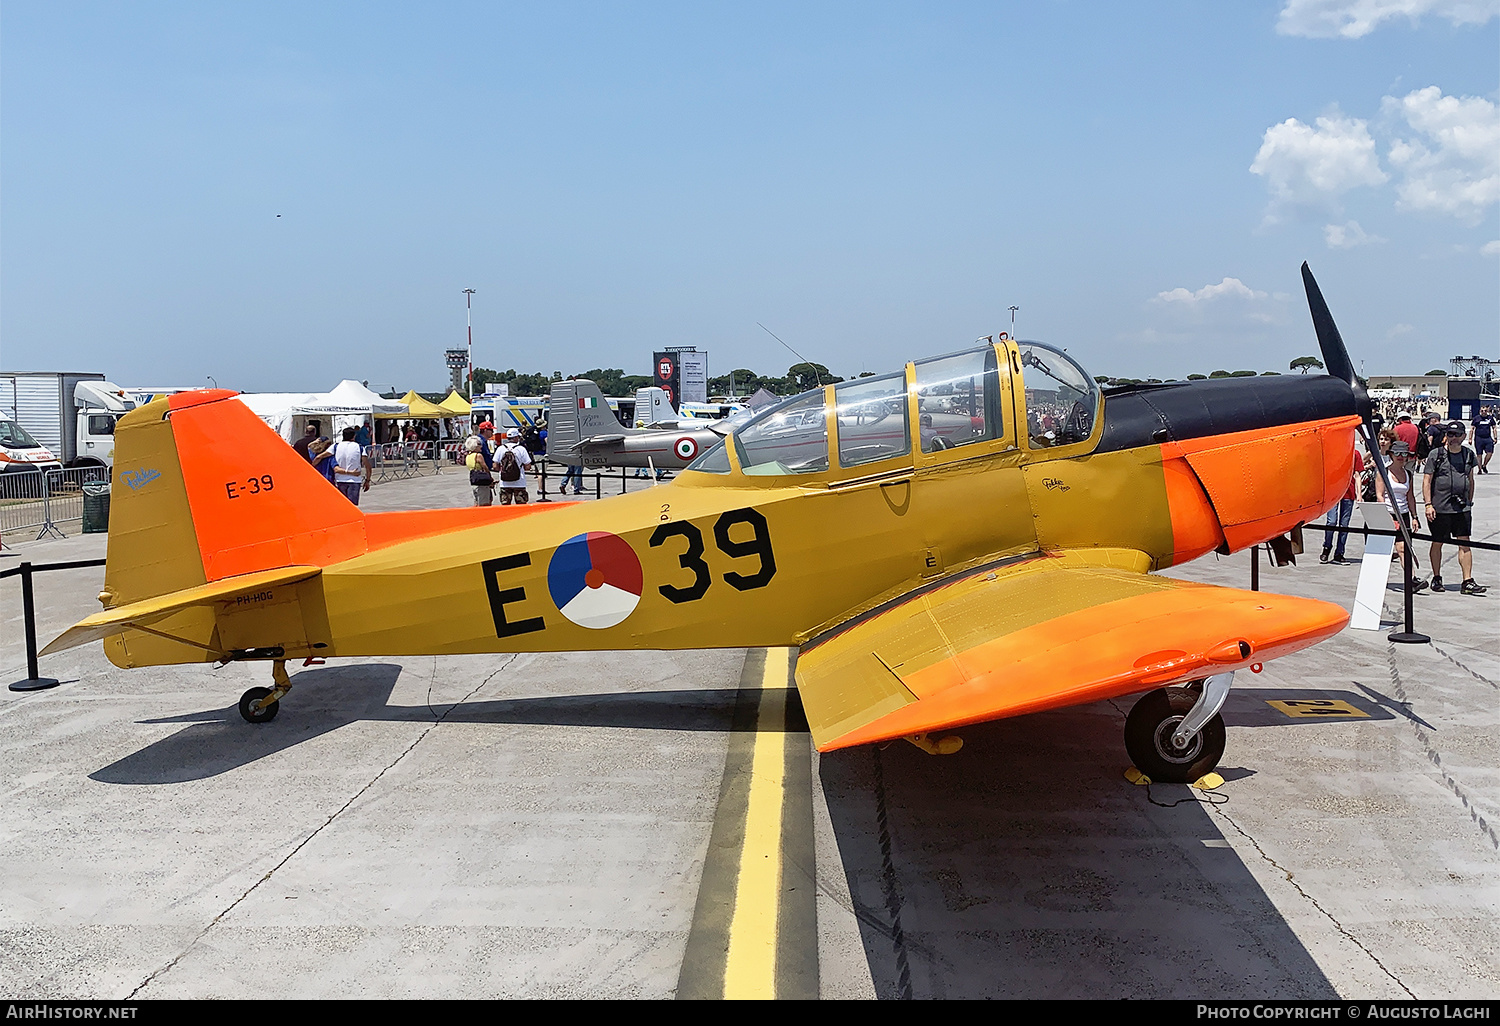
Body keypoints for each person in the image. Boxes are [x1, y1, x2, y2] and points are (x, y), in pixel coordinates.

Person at [1423, 421, 1485, 595]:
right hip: (1440, 508)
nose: (1454, 438)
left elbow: (1470, 479)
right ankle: (1436, 577)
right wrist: (1428, 504)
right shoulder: (1437, 455)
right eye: (1450, 434)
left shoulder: (1468, 455)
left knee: (1464, 543)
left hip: (1461, 509)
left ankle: (1467, 580)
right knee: (1437, 542)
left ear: (1464, 436)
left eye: (1457, 435)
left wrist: (1469, 502)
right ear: (1446, 436)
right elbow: (1427, 480)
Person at [1375, 440, 1425, 590]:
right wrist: (1387, 517)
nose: (1401, 457)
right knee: (1383, 549)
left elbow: (1410, 497)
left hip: (1403, 515)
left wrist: (1415, 516)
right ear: (1391, 454)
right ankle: (1377, 579)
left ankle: (1411, 579)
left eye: (1404, 454)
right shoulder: (1383, 473)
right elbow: (1379, 496)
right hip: (1387, 513)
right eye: (1397, 453)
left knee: (1404, 548)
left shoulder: (1408, 474)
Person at [1320, 447, 1364, 564]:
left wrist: (1359, 494)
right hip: (1333, 493)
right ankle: (1327, 547)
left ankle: (1339, 552)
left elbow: (1357, 475)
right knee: (1331, 521)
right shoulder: (1334, 452)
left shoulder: (1355, 454)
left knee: (1344, 525)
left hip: (1348, 493)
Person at [331, 426, 371, 505]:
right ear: (354, 436)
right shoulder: (360, 448)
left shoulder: (335, 446)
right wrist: (367, 480)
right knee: (352, 506)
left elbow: (320, 456)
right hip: (354, 480)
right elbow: (367, 466)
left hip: (339, 480)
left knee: (341, 505)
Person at [495, 427, 532, 504]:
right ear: (516, 437)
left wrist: (504, 470)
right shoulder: (521, 449)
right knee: (521, 506)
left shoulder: (500, 448)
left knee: (505, 506)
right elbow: (528, 466)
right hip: (519, 482)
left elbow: (495, 465)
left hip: (504, 483)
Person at [465, 436, 493, 506]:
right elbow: (485, 467)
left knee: (477, 501)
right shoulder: (478, 456)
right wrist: (490, 478)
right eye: (479, 444)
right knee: (484, 502)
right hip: (482, 481)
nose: (481, 446)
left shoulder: (468, 456)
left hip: (474, 480)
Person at [1471, 404, 1495, 475]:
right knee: (1479, 454)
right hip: (1479, 438)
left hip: (1488, 438)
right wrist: (1470, 438)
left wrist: (1495, 437)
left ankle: (1484, 465)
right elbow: (1472, 428)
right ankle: (1479, 469)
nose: (1484, 412)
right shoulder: (1476, 418)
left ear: (1487, 411)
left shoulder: (1490, 418)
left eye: (1485, 411)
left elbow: (1494, 428)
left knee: (1489, 453)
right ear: (1480, 411)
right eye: (1482, 411)